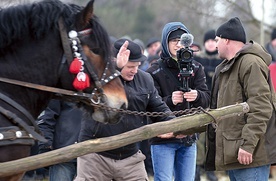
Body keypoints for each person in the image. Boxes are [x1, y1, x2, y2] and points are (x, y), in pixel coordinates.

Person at [74, 39, 175, 181]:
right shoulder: (98, 75)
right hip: (95, 155)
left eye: (137, 65)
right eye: (130, 66)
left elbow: (159, 109)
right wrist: (114, 67)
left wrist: (175, 126)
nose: (134, 70)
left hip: (130, 157)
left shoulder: (146, 79)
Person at [206, 17, 276, 181]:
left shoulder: (250, 63)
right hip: (235, 154)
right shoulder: (225, 67)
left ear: (227, 40)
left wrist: (247, 145)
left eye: (217, 40)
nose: (215, 45)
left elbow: (261, 107)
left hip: (250, 155)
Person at [146, 22, 210, 181]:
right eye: (173, 41)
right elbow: (148, 105)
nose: (178, 44)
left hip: (188, 136)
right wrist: (169, 100)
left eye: (181, 40)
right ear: (165, 43)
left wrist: (197, 96)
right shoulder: (154, 70)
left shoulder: (196, 67)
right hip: (163, 137)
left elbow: (207, 98)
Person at [193, 29, 223, 181]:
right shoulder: (198, 59)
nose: (211, 43)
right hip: (201, 103)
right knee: (200, 137)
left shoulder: (221, 59)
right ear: (204, 43)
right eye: (208, 41)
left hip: (217, 103)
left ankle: (210, 168)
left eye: (213, 40)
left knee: (214, 137)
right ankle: (197, 167)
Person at [38, 99, 83, 181]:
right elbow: (46, 120)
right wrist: (45, 147)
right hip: (63, 154)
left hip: (92, 157)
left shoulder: (100, 90)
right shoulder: (59, 93)